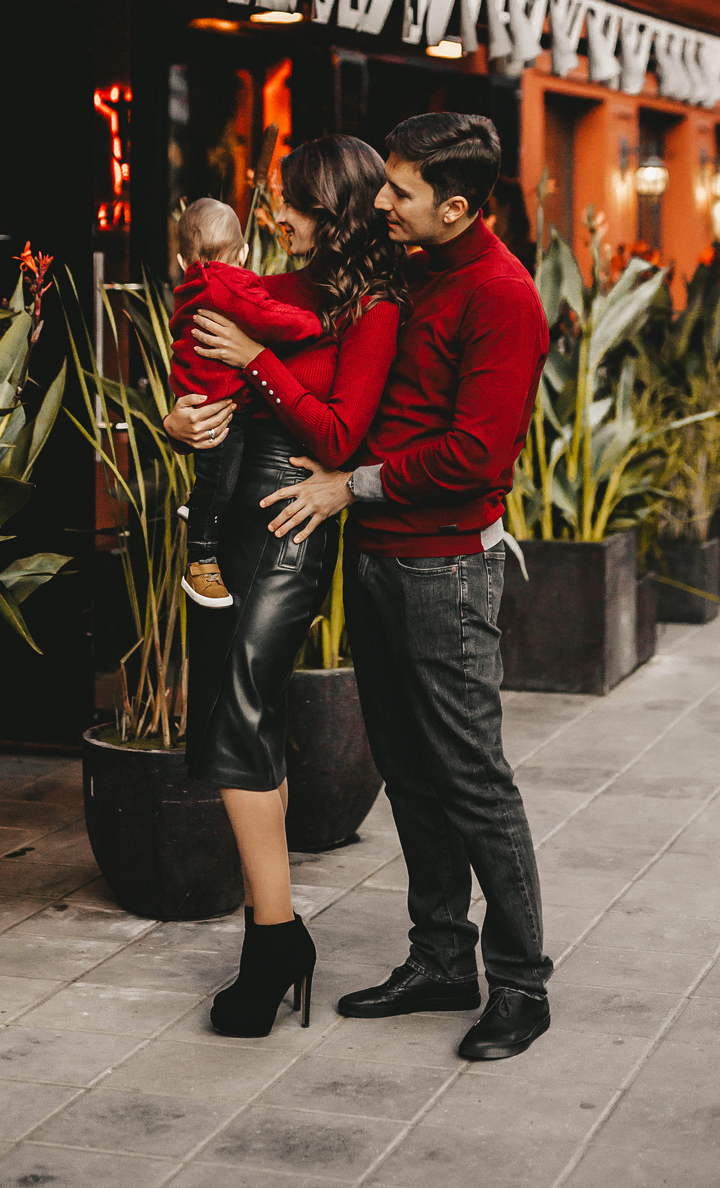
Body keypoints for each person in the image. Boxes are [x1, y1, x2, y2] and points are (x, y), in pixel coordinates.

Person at [258, 112, 553, 1063]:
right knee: (409, 769)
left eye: (400, 190)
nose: (380, 201)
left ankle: (520, 984)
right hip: (378, 556)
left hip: (447, 566)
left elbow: (476, 455)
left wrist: (352, 485)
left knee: (473, 778)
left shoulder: (502, 297)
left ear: (456, 207)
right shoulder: (411, 271)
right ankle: (441, 959)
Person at [164, 137, 406, 1039]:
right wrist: (178, 419)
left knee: (241, 712)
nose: (277, 217)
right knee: (239, 721)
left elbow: (341, 437)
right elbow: (202, 384)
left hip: (293, 521)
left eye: (293, 204)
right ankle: (271, 934)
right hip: (231, 512)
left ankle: (273, 939)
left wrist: (256, 358)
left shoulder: (374, 308)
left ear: (331, 212)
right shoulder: (270, 288)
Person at [171, 197, 323, 608]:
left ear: (183, 260)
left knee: (215, 477)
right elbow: (272, 318)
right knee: (221, 477)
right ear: (244, 253)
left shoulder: (190, 289)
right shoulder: (233, 286)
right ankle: (201, 562)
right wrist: (315, 323)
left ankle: (200, 506)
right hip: (221, 407)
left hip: (199, 397)